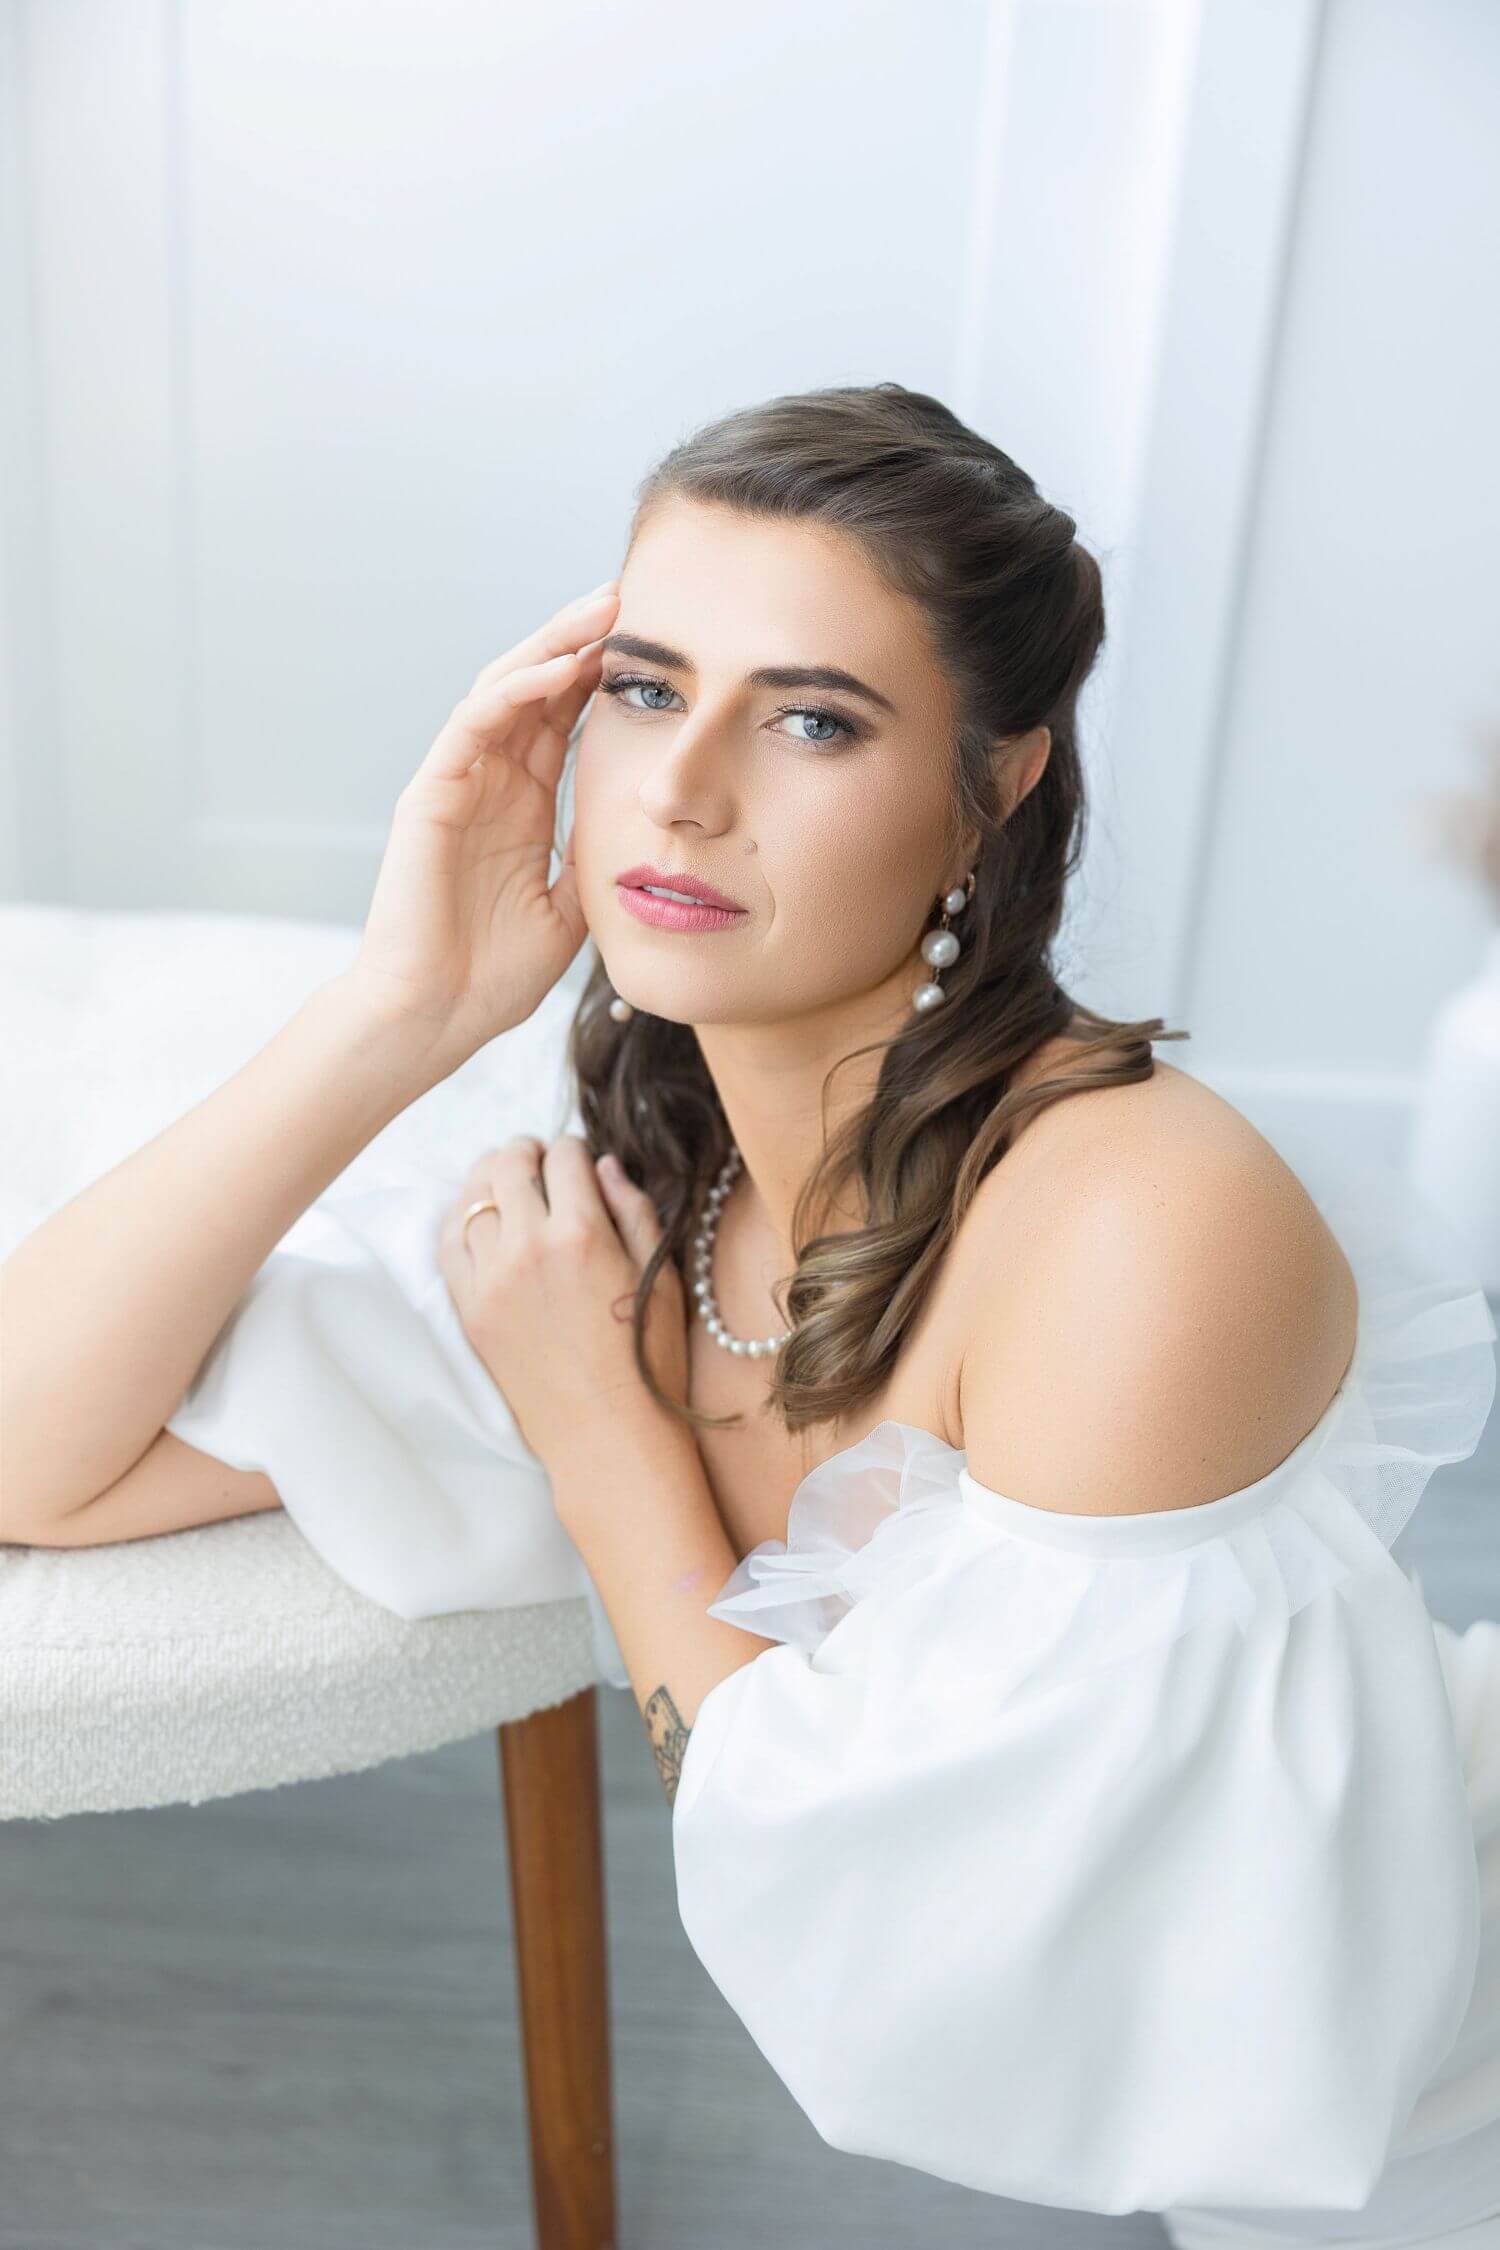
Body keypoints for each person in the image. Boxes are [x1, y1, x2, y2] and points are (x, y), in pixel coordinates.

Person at [5, 383, 1497, 2244]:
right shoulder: (656, 1195)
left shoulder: (1136, 1228)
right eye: (642, 685)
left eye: (811, 716)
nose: (686, 786)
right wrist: (400, 1009)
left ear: (996, 785)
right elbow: (27, 1449)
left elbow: (915, 1966)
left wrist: (602, 1440)